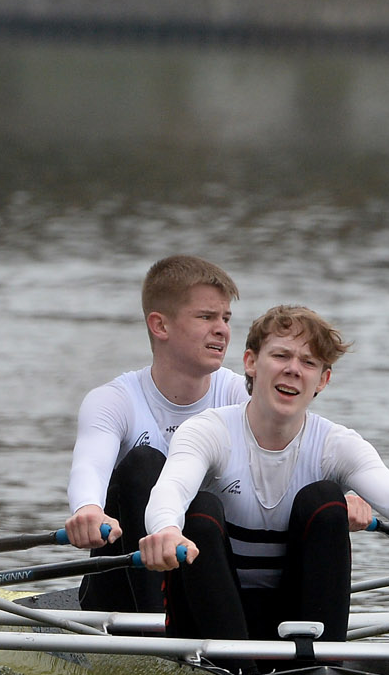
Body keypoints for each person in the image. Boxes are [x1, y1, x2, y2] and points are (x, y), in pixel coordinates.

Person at [139, 304, 389, 646]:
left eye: (309, 362)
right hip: (206, 623)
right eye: (281, 355)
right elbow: (173, 487)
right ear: (251, 362)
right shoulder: (209, 431)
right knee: (200, 511)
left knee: (324, 500)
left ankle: (320, 664)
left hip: (295, 619)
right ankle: (237, 667)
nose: (293, 369)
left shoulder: (336, 443)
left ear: (323, 380)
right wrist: (165, 531)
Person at [64, 255, 252, 612]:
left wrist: (342, 492)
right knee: (145, 464)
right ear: (160, 326)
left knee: (207, 503)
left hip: (212, 584)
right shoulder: (114, 401)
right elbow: (89, 466)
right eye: (206, 317)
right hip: (123, 596)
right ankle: (159, 632)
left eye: (226, 318)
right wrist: (88, 510)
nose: (223, 330)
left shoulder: (238, 396)